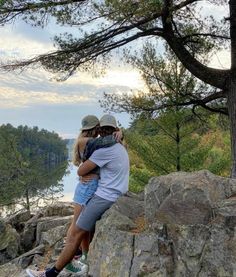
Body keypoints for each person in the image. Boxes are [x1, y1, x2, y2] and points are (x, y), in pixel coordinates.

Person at [26, 114, 130, 277]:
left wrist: (83, 173)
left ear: (101, 130)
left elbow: (81, 170)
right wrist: (120, 133)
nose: (100, 133)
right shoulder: (120, 146)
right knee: (81, 229)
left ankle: (51, 273)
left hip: (105, 197)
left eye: (102, 129)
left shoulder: (105, 150)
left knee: (75, 233)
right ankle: (83, 259)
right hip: (115, 194)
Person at [64, 114, 119, 274]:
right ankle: (70, 260)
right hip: (88, 187)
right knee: (77, 226)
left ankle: (86, 256)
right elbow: (108, 141)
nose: (100, 131)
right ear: (95, 128)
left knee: (86, 226)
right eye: (98, 128)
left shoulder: (83, 141)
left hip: (89, 185)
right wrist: (119, 133)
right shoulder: (87, 141)